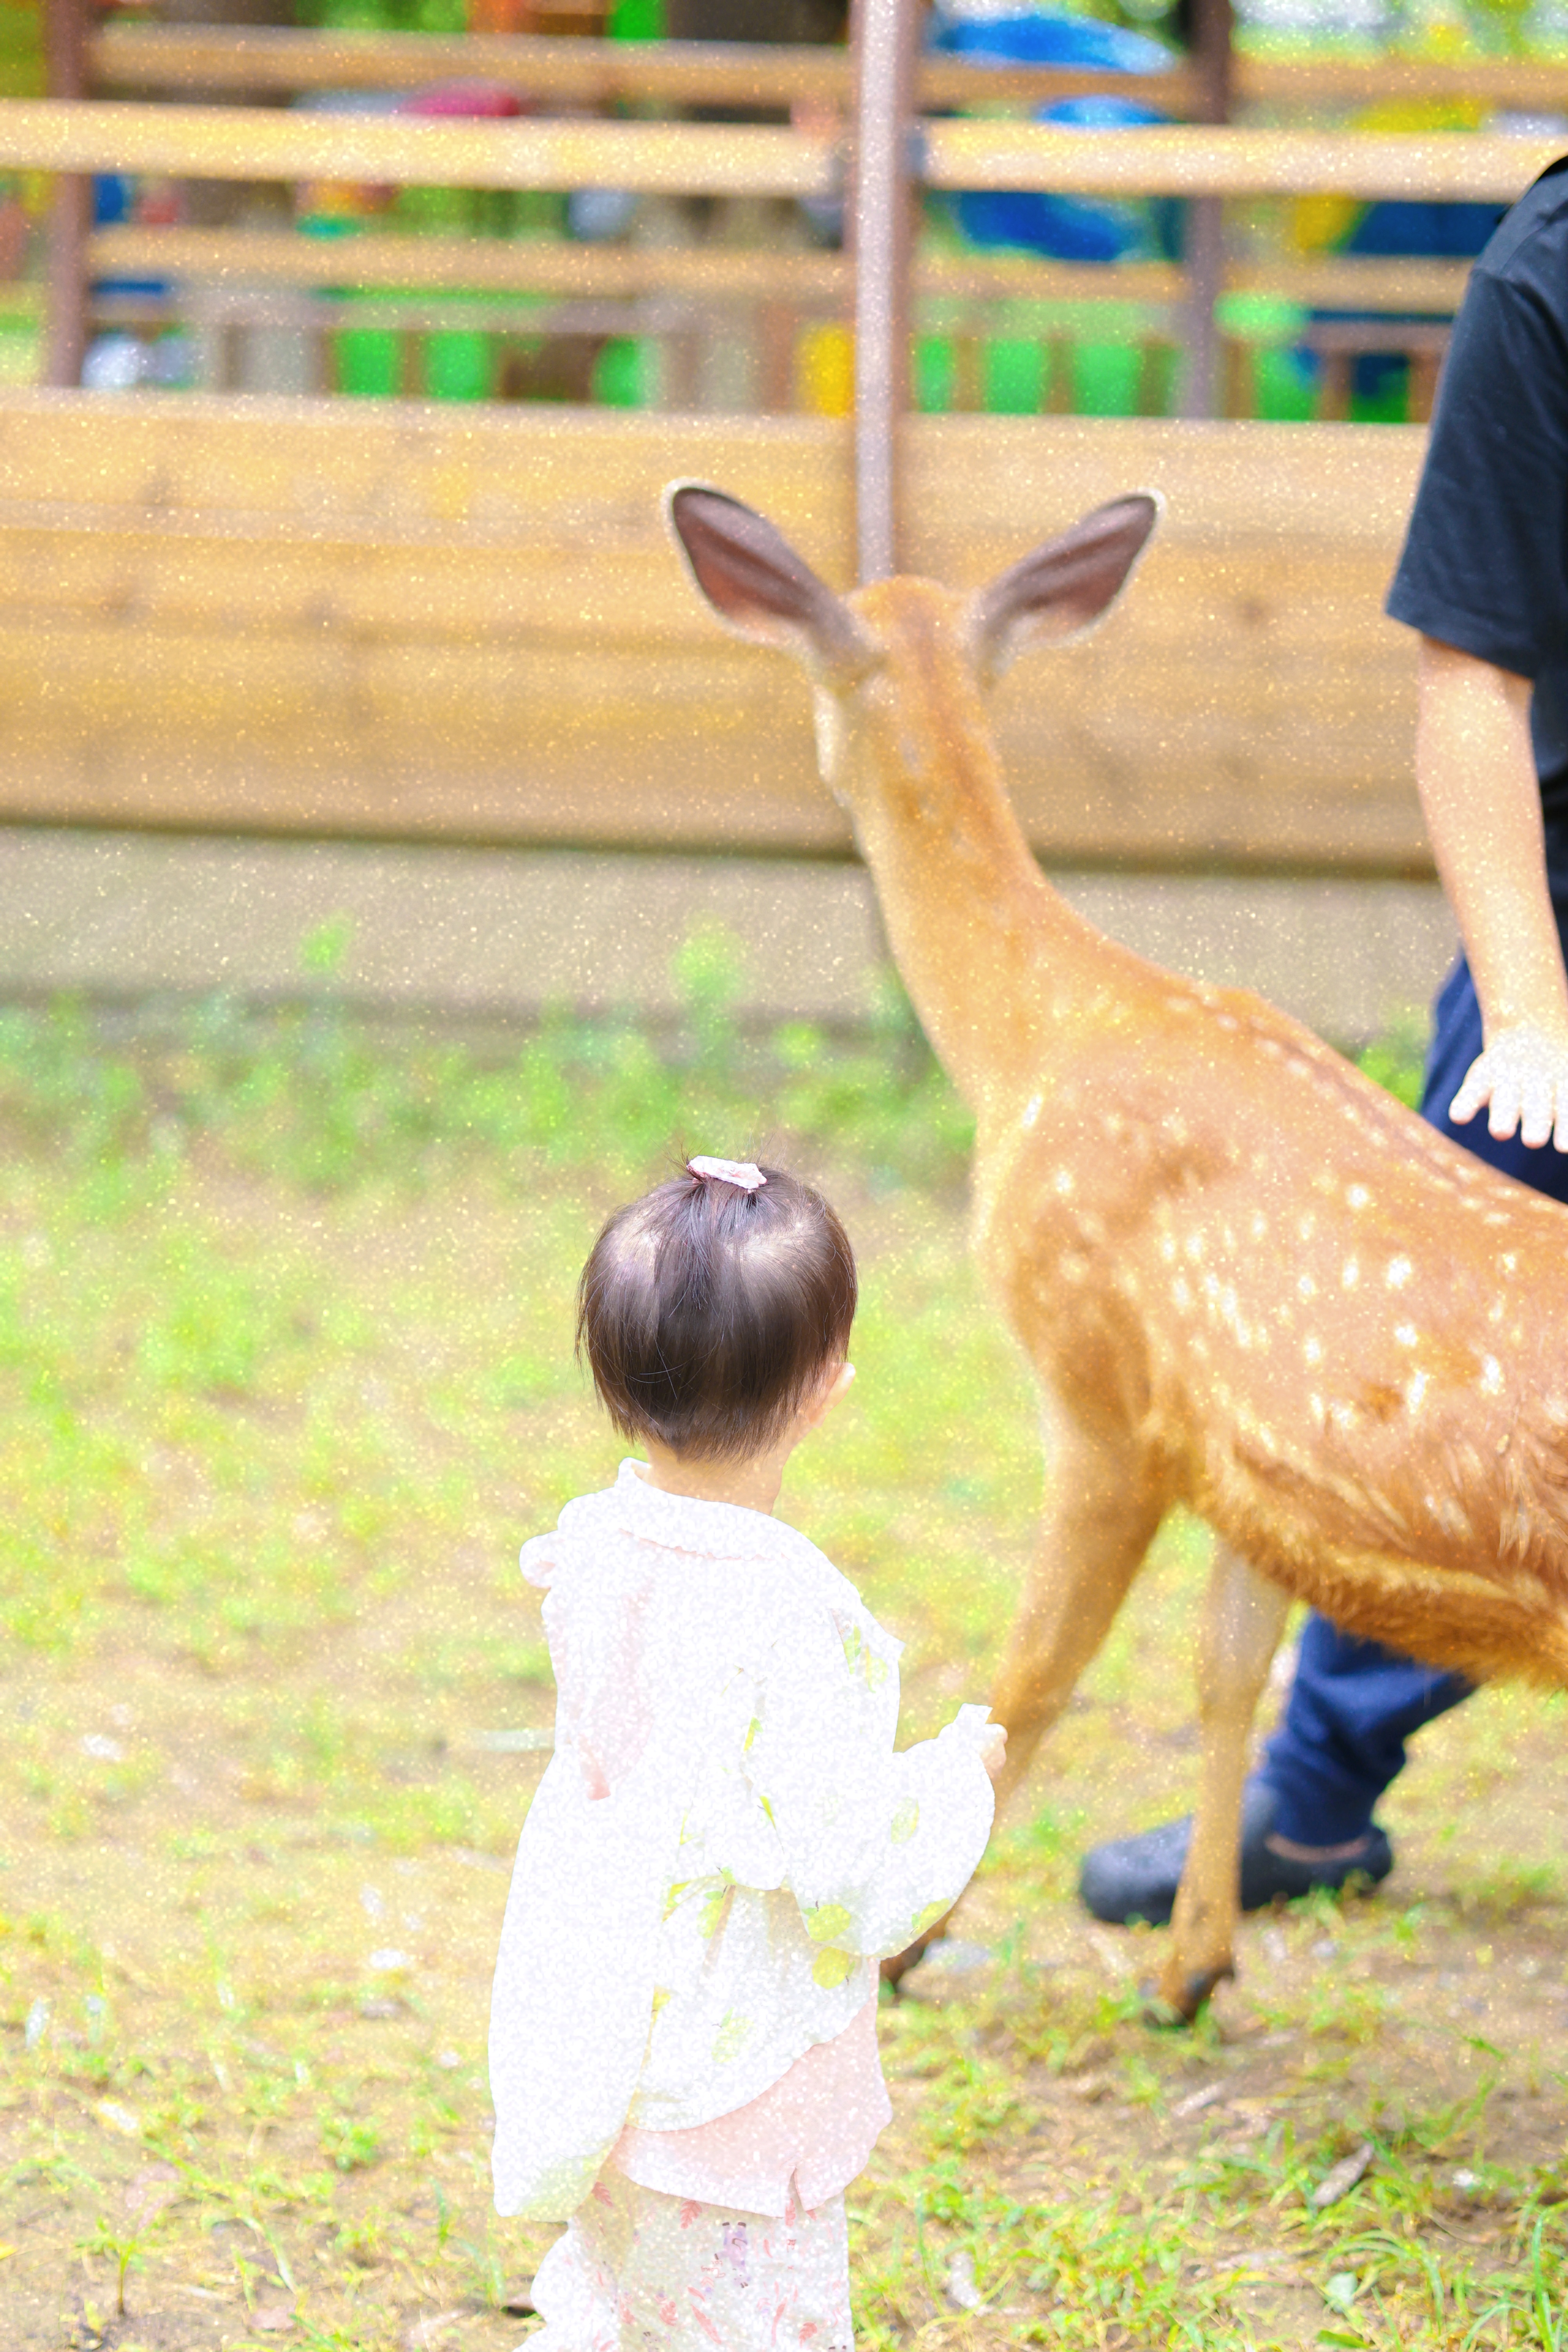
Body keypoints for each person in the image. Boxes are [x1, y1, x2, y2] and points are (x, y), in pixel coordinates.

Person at [1080, 154, 1568, 1931]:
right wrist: (1526, 1017)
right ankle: (1309, 1793)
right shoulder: (1547, 275)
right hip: (1564, 917)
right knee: (1427, 1365)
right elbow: (1470, 685)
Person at [489, 1154, 1006, 2350]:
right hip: (732, 2092)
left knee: (622, 2302)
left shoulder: (595, 1551)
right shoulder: (787, 1616)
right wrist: (950, 1785)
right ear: (829, 1386)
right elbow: (846, 1871)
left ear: (613, 1377)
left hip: (606, 2042)